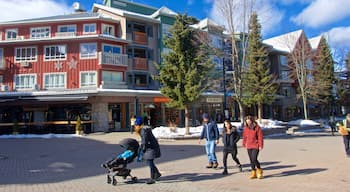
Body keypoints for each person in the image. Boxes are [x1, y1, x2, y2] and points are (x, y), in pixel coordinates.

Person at [134, 116, 161, 184]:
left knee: (150, 162)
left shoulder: (143, 130)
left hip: (151, 147)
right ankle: (157, 174)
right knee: (149, 162)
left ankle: (152, 178)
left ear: (138, 125)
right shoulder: (144, 129)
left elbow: (145, 141)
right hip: (150, 146)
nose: (134, 127)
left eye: (135, 125)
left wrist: (142, 149)